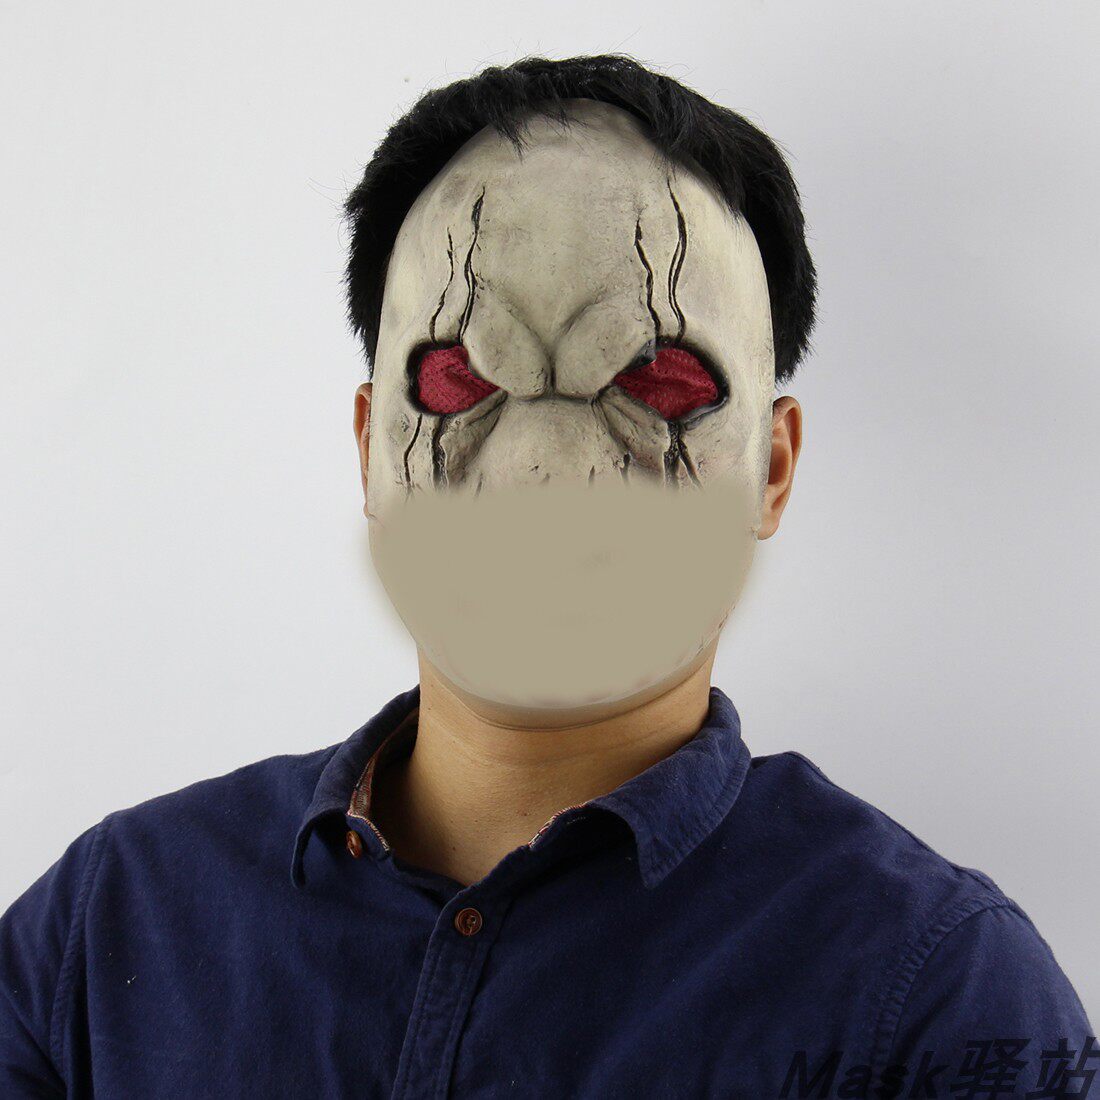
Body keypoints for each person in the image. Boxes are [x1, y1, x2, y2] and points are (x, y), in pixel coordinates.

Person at [1, 54, 1093, 1099]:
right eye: (457, 379)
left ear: (770, 468)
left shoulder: (939, 994)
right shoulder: (108, 927)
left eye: (659, 384)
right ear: (369, 447)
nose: (546, 471)